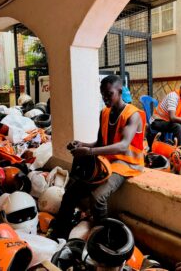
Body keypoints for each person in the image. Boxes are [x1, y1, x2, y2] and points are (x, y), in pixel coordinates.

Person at [50, 75, 145, 239]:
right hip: (107, 161)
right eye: (103, 95)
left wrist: (89, 152)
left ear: (120, 91)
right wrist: (82, 145)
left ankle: (103, 238)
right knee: (71, 192)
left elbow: (123, 146)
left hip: (127, 164)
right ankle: (60, 235)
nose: (105, 98)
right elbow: (100, 142)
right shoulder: (105, 113)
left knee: (98, 197)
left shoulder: (133, 115)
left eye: (109, 94)